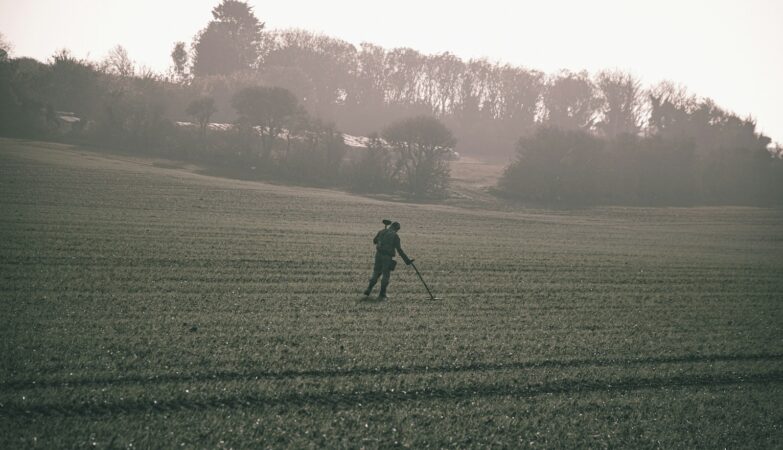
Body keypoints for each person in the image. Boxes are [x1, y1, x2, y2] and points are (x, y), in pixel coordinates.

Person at [364, 221, 413, 299]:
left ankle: (369, 288)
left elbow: (374, 241)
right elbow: (399, 250)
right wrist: (407, 260)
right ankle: (382, 294)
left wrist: (381, 239)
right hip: (387, 257)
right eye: (397, 229)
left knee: (376, 272)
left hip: (378, 255)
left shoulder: (381, 231)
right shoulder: (395, 236)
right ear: (396, 228)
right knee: (386, 275)